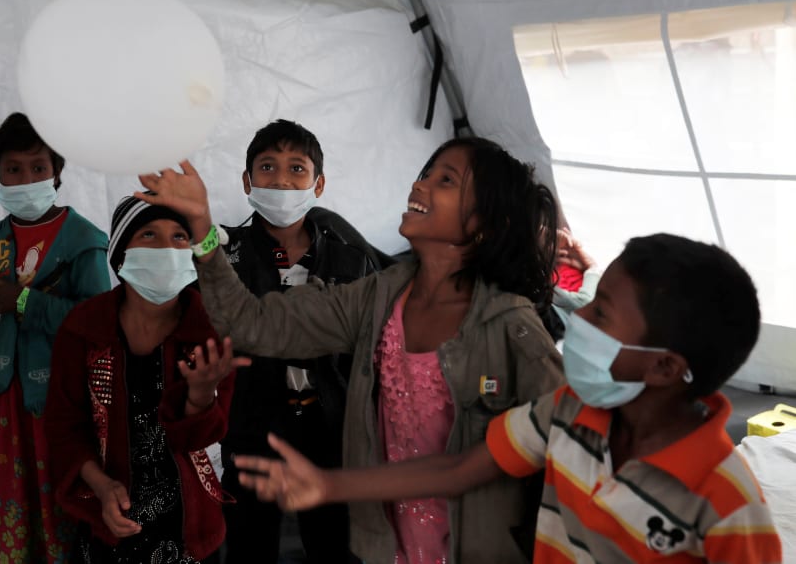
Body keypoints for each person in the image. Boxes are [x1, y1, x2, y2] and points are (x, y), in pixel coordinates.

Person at [137, 136, 566, 564]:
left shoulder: (511, 330)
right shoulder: (377, 298)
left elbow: (569, 452)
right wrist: (201, 228)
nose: (419, 185)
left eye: (446, 180)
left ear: (483, 223)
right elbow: (249, 324)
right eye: (426, 174)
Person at [235, 233, 783, 564]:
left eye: (601, 313)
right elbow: (458, 470)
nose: (579, 320)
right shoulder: (568, 411)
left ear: (664, 366)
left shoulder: (728, 504)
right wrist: (330, 485)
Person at [43, 195, 246, 563]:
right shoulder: (83, 329)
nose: (167, 248)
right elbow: (64, 428)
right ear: (121, 253)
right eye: (149, 235)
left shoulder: (211, 330)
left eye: (179, 237)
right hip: (108, 522)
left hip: (189, 527)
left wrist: (201, 396)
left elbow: (203, 439)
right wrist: (102, 487)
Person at [218, 119, 378, 564]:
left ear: (318, 184)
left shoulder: (350, 260)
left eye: (297, 169)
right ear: (247, 181)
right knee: (249, 547)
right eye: (267, 167)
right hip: (251, 426)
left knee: (335, 547)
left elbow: (368, 353)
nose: (282, 181)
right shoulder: (224, 258)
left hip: (329, 429)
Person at [0, 112, 111, 563]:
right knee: (14, 501)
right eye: (13, 169)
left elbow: (99, 324)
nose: (26, 179)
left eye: (38, 167)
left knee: (62, 504)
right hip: (7, 401)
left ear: (57, 173)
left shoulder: (84, 241)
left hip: (62, 402)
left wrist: (25, 301)